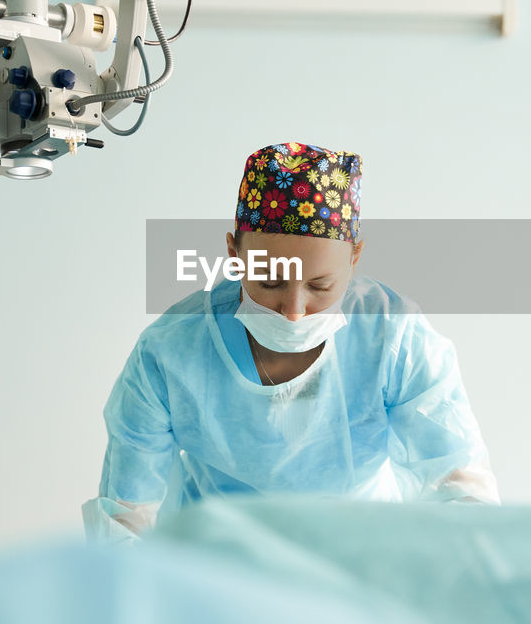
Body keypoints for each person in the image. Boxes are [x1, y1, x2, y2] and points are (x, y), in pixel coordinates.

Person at [83, 142, 498, 541]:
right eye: (270, 281)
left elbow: (459, 484)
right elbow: (126, 516)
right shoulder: (171, 352)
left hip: (363, 557)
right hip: (223, 565)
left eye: (320, 285)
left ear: (353, 258)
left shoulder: (392, 336)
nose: (294, 311)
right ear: (235, 253)